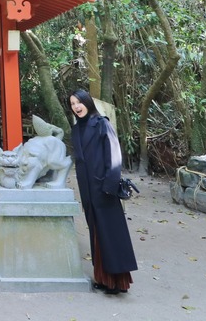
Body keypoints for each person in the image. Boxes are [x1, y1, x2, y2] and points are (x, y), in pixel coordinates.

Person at [67, 89, 137, 294]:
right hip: (87, 189)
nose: (76, 107)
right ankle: (103, 278)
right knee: (96, 233)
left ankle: (117, 281)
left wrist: (110, 186)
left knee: (110, 234)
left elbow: (114, 156)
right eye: (72, 104)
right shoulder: (75, 129)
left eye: (79, 102)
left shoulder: (101, 124)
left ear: (87, 102)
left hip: (104, 187)